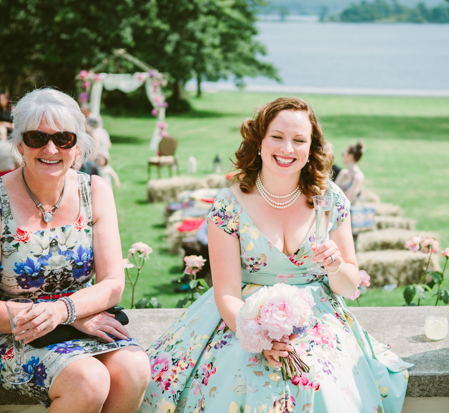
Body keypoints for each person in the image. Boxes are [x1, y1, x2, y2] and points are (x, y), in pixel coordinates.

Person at [139, 97, 411, 412]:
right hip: (242, 315)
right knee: (245, 377)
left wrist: (336, 266)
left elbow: (349, 287)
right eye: (277, 137)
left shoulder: (330, 200)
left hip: (317, 315)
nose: (287, 149)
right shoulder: (229, 206)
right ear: (259, 142)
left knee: (318, 379)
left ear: (311, 149)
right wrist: (257, 337)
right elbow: (226, 292)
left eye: (299, 140)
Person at [0, 88, 150, 411]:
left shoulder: (95, 190)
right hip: (15, 335)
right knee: (89, 380)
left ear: (78, 146)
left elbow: (113, 282)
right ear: (20, 144)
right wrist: (62, 317)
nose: (50, 148)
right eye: (37, 137)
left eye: (63, 138)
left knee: (135, 367)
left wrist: (64, 312)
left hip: (81, 319)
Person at [334, 139, 365, 203]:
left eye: (343, 154)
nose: (342, 156)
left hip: (349, 211)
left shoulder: (358, 177)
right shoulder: (343, 172)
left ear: (350, 156)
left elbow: (349, 200)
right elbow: (333, 192)